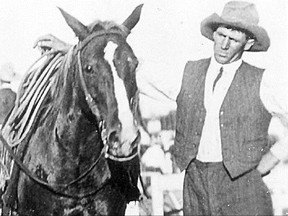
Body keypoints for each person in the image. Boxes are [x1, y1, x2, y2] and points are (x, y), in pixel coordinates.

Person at [171, 1, 288, 215]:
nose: (223, 45)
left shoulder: (263, 81)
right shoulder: (188, 72)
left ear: (249, 43)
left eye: (233, 39)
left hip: (244, 188)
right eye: (220, 35)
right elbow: (135, 76)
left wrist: (267, 163)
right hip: (196, 186)